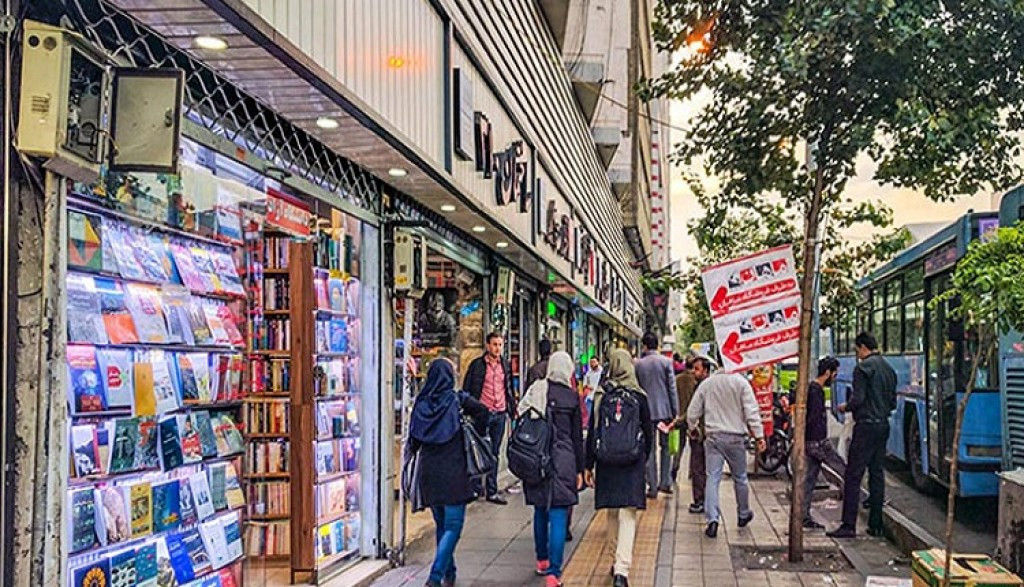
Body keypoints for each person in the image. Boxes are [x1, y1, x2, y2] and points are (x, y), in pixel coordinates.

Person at [409, 359, 490, 587]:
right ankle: (435, 576)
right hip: (455, 472)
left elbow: (413, 441)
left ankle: (449, 572)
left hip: (430, 474)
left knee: (442, 525)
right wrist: (476, 431)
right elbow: (484, 412)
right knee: (453, 526)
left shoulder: (421, 404)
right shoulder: (457, 400)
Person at [585, 349, 654, 587]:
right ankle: (622, 571)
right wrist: (644, 459)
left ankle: (614, 560)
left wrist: (588, 465)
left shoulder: (602, 394)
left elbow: (593, 431)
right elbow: (648, 430)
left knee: (612, 512)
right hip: (632, 462)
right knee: (628, 514)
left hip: (606, 462)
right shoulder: (639, 396)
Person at [519, 352, 585, 587]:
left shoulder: (536, 390)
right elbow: (577, 437)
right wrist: (581, 469)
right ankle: (554, 575)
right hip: (564, 460)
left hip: (537, 458)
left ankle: (542, 560)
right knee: (558, 514)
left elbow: (521, 415)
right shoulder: (571, 397)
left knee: (540, 510)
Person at [829, 332, 896, 538]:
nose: (857, 355)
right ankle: (875, 525)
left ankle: (848, 525)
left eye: (857, 350)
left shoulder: (862, 369)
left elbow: (858, 399)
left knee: (853, 474)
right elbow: (892, 403)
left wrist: (845, 407)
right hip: (883, 425)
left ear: (863, 347)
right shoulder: (889, 369)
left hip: (865, 426)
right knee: (877, 474)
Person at [687, 363, 766, 538]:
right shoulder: (741, 383)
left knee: (713, 478)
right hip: (736, 438)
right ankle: (743, 513)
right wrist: (759, 436)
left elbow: (692, 412)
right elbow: (751, 412)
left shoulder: (707, 384)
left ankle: (712, 520)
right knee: (740, 477)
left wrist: (693, 427)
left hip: (713, 437)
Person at [463, 332, 517, 504]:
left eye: (500, 345)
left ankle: (492, 490)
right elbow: (468, 388)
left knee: (494, 452)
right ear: (487, 345)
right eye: (494, 344)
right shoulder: (477, 365)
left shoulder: (505, 366)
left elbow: (507, 388)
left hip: (500, 413)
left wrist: (511, 408)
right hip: (482, 413)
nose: (497, 348)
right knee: (477, 449)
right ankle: (476, 488)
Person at [801, 355, 848, 530]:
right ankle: (865, 500)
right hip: (817, 442)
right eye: (834, 374)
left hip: (813, 442)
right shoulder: (816, 391)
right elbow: (813, 418)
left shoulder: (813, 389)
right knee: (844, 469)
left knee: (810, 479)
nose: (834, 379)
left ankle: (803, 515)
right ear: (828, 373)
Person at [634, 332, 678, 497]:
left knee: (649, 449)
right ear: (657, 345)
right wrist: (675, 412)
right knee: (666, 447)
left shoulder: (638, 364)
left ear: (644, 345)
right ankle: (665, 482)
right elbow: (672, 389)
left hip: (645, 412)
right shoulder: (666, 362)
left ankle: (652, 486)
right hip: (664, 412)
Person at [674, 355, 710, 514]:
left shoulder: (702, 387)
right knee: (708, 470)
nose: (694, 372)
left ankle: (700, 501)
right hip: (709, 433)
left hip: (700, 432)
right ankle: (708, 501)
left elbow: (693, 412)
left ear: (706, 371)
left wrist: (678, 421)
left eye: (698, 369)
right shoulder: (703, 385)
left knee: (698, 468)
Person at [581, 355, 603, 426]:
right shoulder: (588, 373)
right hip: (590, 397)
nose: (592, 364)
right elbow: (584, 384)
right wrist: (587, 387)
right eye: (591, 362)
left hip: (599, 396)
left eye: (594, 362)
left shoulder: (602, 372)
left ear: (598, 362)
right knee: (589, 414)